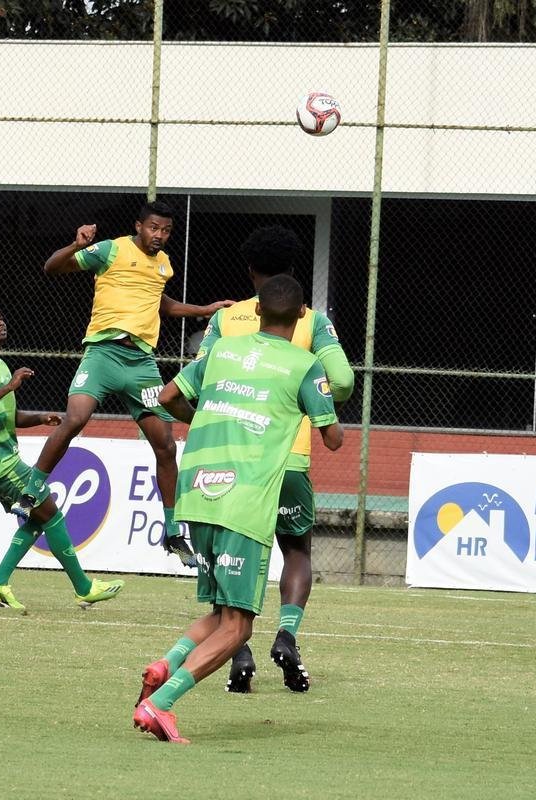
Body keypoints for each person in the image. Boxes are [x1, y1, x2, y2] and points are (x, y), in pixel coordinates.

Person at [132, 275, 343, 744]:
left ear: (259, 312)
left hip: (198, 491)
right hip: (244, 500)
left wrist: (209, 414)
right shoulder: (305, 365)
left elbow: (166, 399)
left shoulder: (221, 351)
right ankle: (160, 704)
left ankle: (163, 664)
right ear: (302, 316)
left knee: (221, 610)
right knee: (240, 625)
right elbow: (333, 438)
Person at [10, 200, 233, 568]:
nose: (159, 235)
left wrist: (204, 310)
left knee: (164, 445)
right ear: (139, 226)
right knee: (76, 418)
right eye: (154, 228)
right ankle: (32, 488)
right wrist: (77, 245)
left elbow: (160, 304)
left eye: (166, 231)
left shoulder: (163, 264)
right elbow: (53, 267)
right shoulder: (111, 249)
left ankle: (174, 530)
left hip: (141, 364)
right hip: (102, 354)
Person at [196, 225, 354, 694]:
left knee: (235, 553)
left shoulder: (226, 320)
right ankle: (286, 633)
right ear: (292, 274)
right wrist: (314, 400)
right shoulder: (310, 319)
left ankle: (235, 645)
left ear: (251, 273)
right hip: (289, 459)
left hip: (228, 461)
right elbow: (342, 381)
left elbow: (200, 379)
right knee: (297, 550)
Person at [0, 306, 124, 609]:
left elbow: (4, 416)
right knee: (52, 514)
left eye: (1, 317)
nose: (1, 323)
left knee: (39, 520)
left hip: (3, 460)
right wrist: (9, 387)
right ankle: (84, 588)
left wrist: (37, 418)